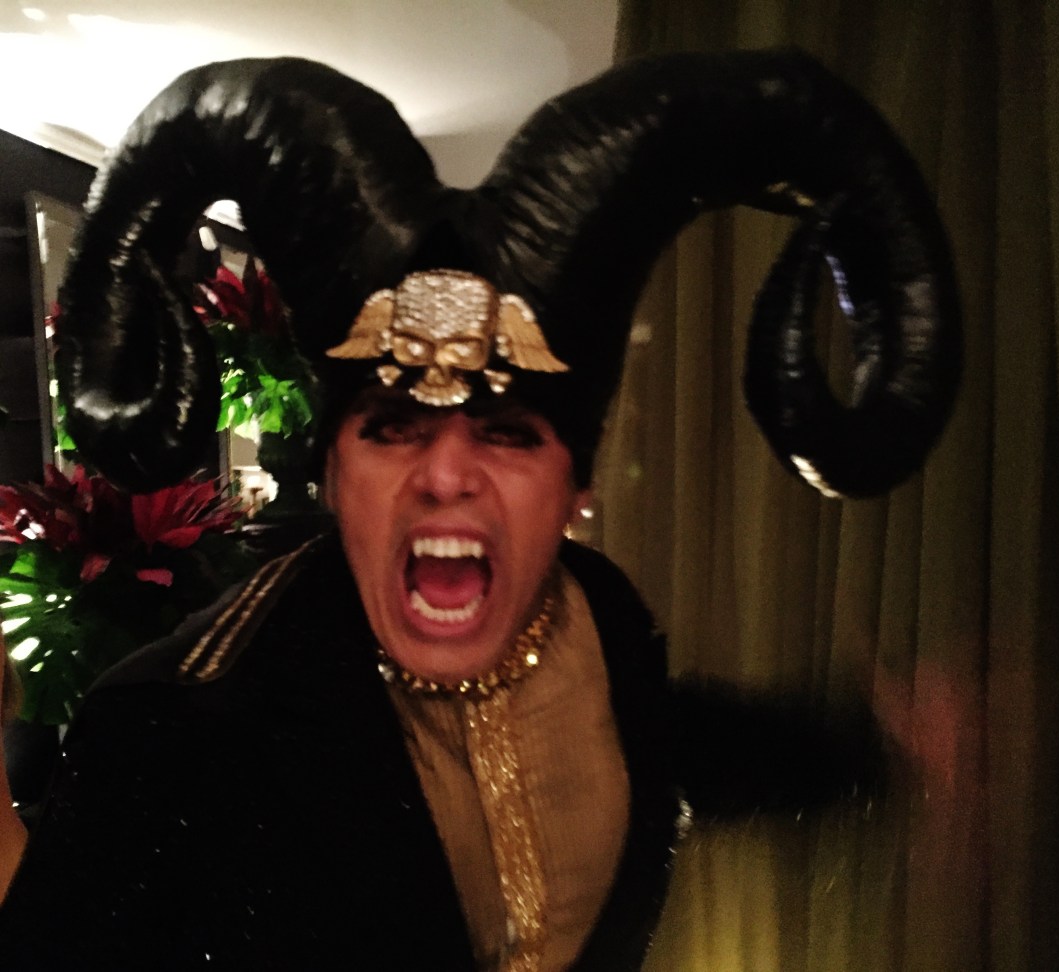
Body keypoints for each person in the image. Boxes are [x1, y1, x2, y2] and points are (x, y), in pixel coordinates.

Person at [0, 50, 959, 969]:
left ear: (577, 486)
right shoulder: (171, 733)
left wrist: (878, 750)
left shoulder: (599, 617)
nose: (448, 472)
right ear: (334, 473)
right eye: (392, 426)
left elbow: (670, 744)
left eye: (507, 431)